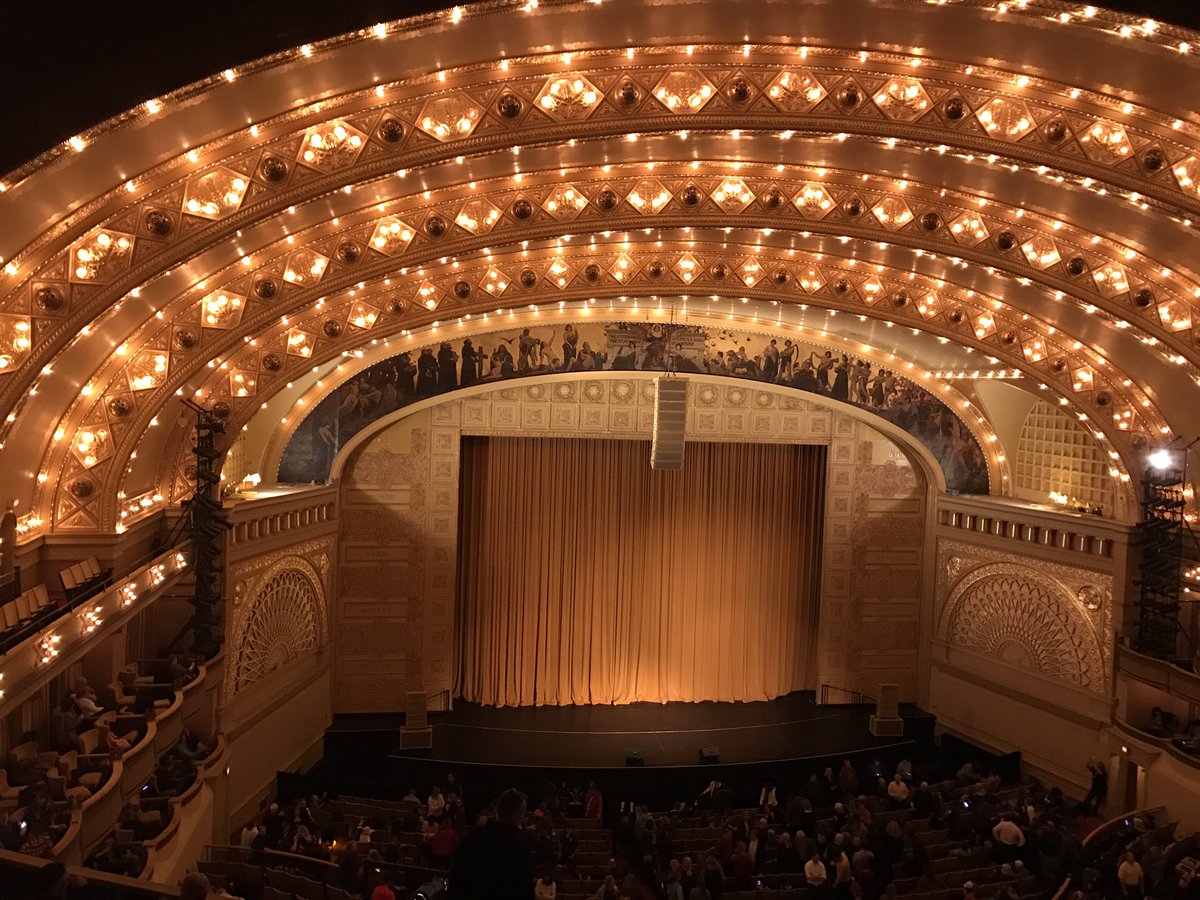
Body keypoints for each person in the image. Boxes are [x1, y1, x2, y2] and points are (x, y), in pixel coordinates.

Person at [448, 788, 534, 900]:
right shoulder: (520, 846)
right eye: (523, 813)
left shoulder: (473, 836)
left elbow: (456, 876)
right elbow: (525, 889)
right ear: (517, 815)